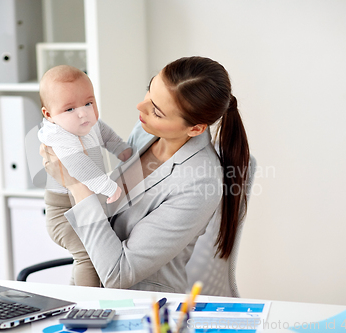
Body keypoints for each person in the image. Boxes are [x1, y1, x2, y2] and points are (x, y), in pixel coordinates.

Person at [41, 56, 250, 293]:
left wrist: (76, 184)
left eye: (157, 111)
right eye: (149, 92)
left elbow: (118, 275)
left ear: (196, 129)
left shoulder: (199, 184)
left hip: (142, 305)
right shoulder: (145, 132)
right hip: (89, 283)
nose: (140, 107)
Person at [38, 65, 132, 287]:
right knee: (88, 256)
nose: (83, 112)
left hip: (85, 203)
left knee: (89, 255)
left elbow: (105, 132)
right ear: (49, 115)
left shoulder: (86, 122)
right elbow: (79, 167)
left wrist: (121, 149)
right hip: (63, 211)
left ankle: (72, 298)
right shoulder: (58, 134)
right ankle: (86, 305)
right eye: (69, 109)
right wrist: (108, 187)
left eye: (89, 103)